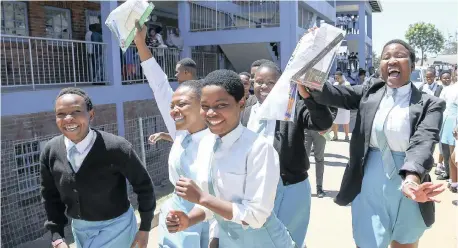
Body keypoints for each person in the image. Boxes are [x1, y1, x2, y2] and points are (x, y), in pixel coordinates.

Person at [310, 39, 445, 248]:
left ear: (412, 64)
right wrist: (314, 48)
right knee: (369, 240)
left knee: (404, 241)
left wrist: (412, 178)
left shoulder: (430, 103)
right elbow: (330, 93)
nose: (392, 60)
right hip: (369, 178)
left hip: (408, 179)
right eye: (386, 57)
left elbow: (424, 141)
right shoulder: (369, 93)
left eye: (399, 55)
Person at [165, 69, 296, 247]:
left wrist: (202, 198)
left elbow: (255, 217)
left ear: (241, 103)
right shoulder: (206, 144)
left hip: (264, 241)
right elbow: (212, 204)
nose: (211, 113)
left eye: (221, 105)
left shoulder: (259, 149)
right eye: (205, 106)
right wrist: (188, 220)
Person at [40, 88, 155, 248]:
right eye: (61, 114)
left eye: (76, 111)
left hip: (116, 228)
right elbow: (50, 197)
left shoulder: (116, 148)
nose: (68, 119)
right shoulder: (51, 151)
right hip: (80, 230)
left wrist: (145, 228)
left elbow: (144, 187)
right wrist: (57, 235)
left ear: (91, 115)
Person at [241, 62, 335, 247]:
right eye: (259, 81)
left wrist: (308, 95)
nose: (264, 86)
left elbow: (323, 123)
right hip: (255, 190)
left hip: (290, 187)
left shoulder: (294, 107)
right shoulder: (245, 112)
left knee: (290, 241)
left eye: (271, 82)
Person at [134, 24, 211, 247]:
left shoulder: (217, 140)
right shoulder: (178, 128)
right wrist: (140, 43)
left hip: (206, 216)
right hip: (175, 214)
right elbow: (158, 84)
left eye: (183, 104)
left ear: (202, 107)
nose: (174, 109)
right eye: (173, 105)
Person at [436, 70, 458, 181]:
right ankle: (449, 174)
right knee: (445, 150)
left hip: (455, 123)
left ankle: (454, 180)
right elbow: (440, 105)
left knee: (454, 151)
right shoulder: (448, 89)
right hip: (446, 122)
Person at [331, 71, 351, 141]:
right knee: (335, 121)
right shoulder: (335, 84)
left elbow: (350, 93)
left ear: (341, 77)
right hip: (336, 105)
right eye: (335, 78)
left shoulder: (347, 84)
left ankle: (346, 136)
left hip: (345, 105)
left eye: (338, 78)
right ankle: (335, 136)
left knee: (345, 122)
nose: (336, 79)